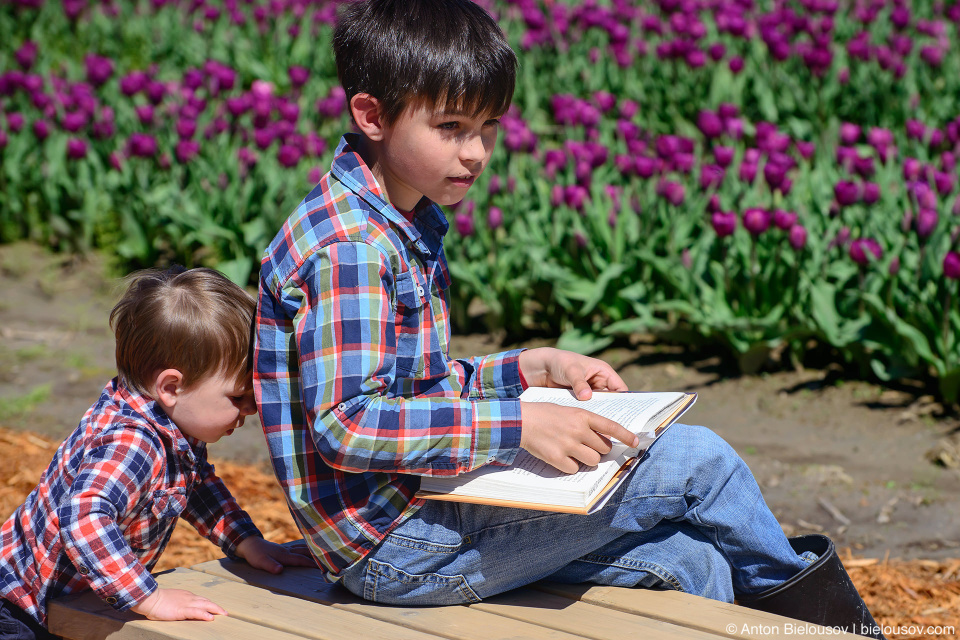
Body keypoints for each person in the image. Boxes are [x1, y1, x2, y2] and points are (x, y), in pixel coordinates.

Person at [254, 0, 883, 636]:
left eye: (489, 126)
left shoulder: (395, 219)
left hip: (418, 508)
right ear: (372, 115)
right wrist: (518, 423)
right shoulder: (351, 251)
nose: (476, 152)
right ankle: (841, 632)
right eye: (450, 127)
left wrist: (527, 369)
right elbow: (350, 424)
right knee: (695, 460)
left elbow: (412, 387)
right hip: (394, 543)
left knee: (691, 563)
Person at [0, 267, 314, 640]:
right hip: (21, 608)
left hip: (71, 598)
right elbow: (84, 519)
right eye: (238, 396)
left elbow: (195, 486)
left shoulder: (172, 426)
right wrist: (150, 599)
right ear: (171, 386)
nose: (251, 408)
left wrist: (245, 541)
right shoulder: (133, 442)